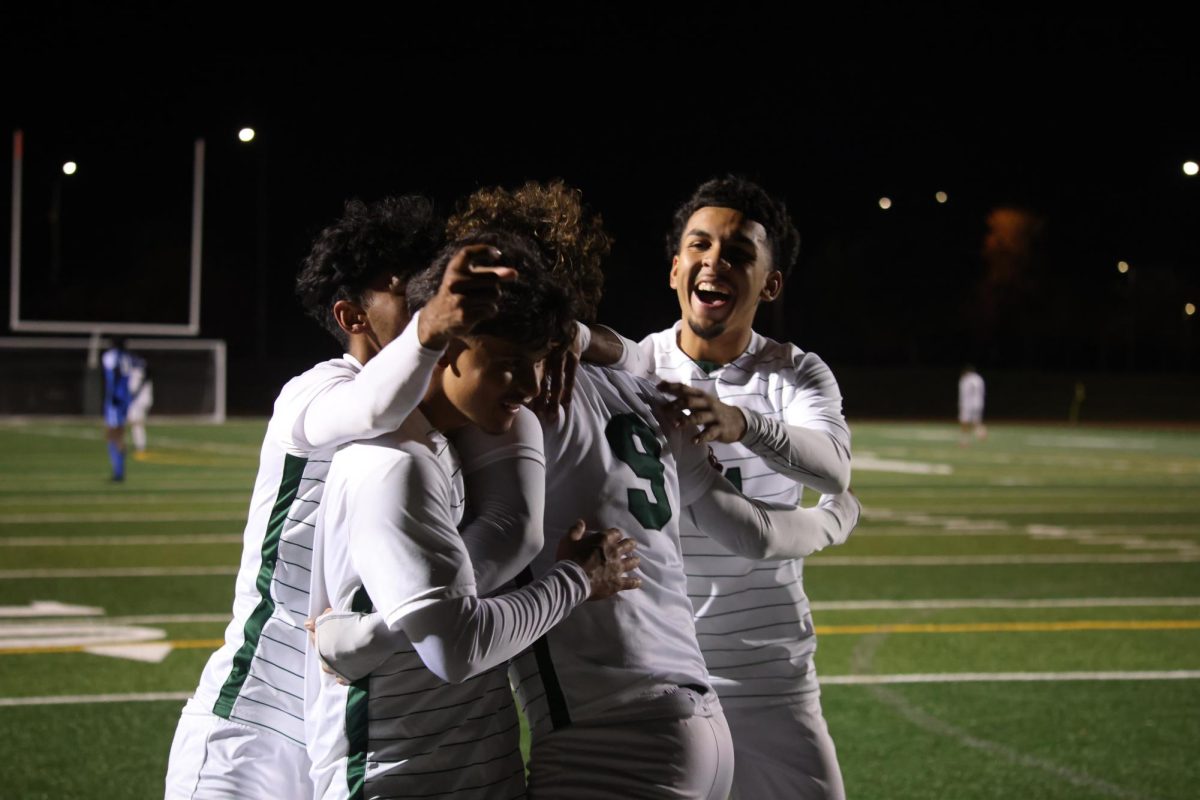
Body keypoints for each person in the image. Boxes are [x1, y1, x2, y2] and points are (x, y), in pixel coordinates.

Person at [164, 196, 519, 799]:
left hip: (344, 728)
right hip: (252, 718)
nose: (432, 310)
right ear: (353, 317)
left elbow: (504, 534)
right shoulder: (318, 388)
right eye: (413, 298)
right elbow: (373, 407)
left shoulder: (450, 415)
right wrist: (432, 328)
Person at [306, 229, 642, 800]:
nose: (533, 385)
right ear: (446, 346)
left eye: (537, 362)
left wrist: (377, 635)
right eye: (510, 363)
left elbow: (511, 538)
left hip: (476, 768)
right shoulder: (394, 464)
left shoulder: (452, 439)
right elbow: (455, 650)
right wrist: (579, 581)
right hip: (400, 779)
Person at [589, 176, 854, 799]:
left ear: (771, 282)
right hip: (660, 671)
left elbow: (834, 468)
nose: (715, 261)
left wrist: (742, 422)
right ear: (676, 267)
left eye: (738, 253)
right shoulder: (637, 367)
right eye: (700, 246)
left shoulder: (793, 371)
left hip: (769, 670)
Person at [100, 337, 133, 481]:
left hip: (115, 399)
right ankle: (119, 470)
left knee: (113, 436)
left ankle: (118, 471)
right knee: (115, 434)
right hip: (124, 399)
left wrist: (113, 394)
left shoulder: (112, 356)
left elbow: (114, 374)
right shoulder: (128, 357)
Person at [127, 353, 153, 455]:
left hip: (138, 402)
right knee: (137, 423)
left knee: (136, 423)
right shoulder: (143, 373)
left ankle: (140, 446)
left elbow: (133, 389)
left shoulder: (136, 373)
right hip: (144, 400)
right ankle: (139, 445)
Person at [959, 365, 986, 443]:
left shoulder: (966, 379)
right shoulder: (979, 379)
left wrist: (961, 404)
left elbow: (964, 393)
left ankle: (965, 440)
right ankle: (981, 431)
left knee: (964, 422)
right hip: (979, 403)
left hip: (968, 403)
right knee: (976, 421)